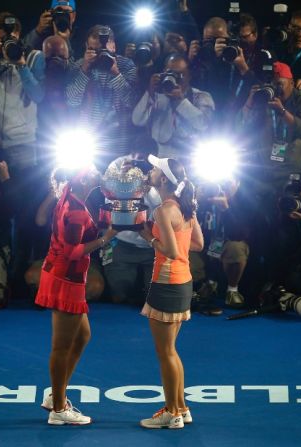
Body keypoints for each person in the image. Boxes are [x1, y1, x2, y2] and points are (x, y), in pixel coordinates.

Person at [36, 165, 117, 425]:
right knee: (61, 347)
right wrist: (108, 237)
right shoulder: (77, 211)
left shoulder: (69, 195)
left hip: (64, 276)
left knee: (82, 336)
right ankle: (58, 409)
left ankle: (55, 395)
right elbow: (73, 251)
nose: (99, 173)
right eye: (93, 171)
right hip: (65, 280)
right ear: (82, 178)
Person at [137, 155, 203, 429]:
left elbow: (173, 252)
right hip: (183, 283)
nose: (150, 171)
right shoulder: (187, 209)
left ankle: (172, 413)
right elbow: (198, 244)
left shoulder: (163, 211)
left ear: (163, 179)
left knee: (166, 353)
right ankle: (181, 408)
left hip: (166, 284)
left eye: (154, 169)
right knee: (171, 351)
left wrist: (148, 237)